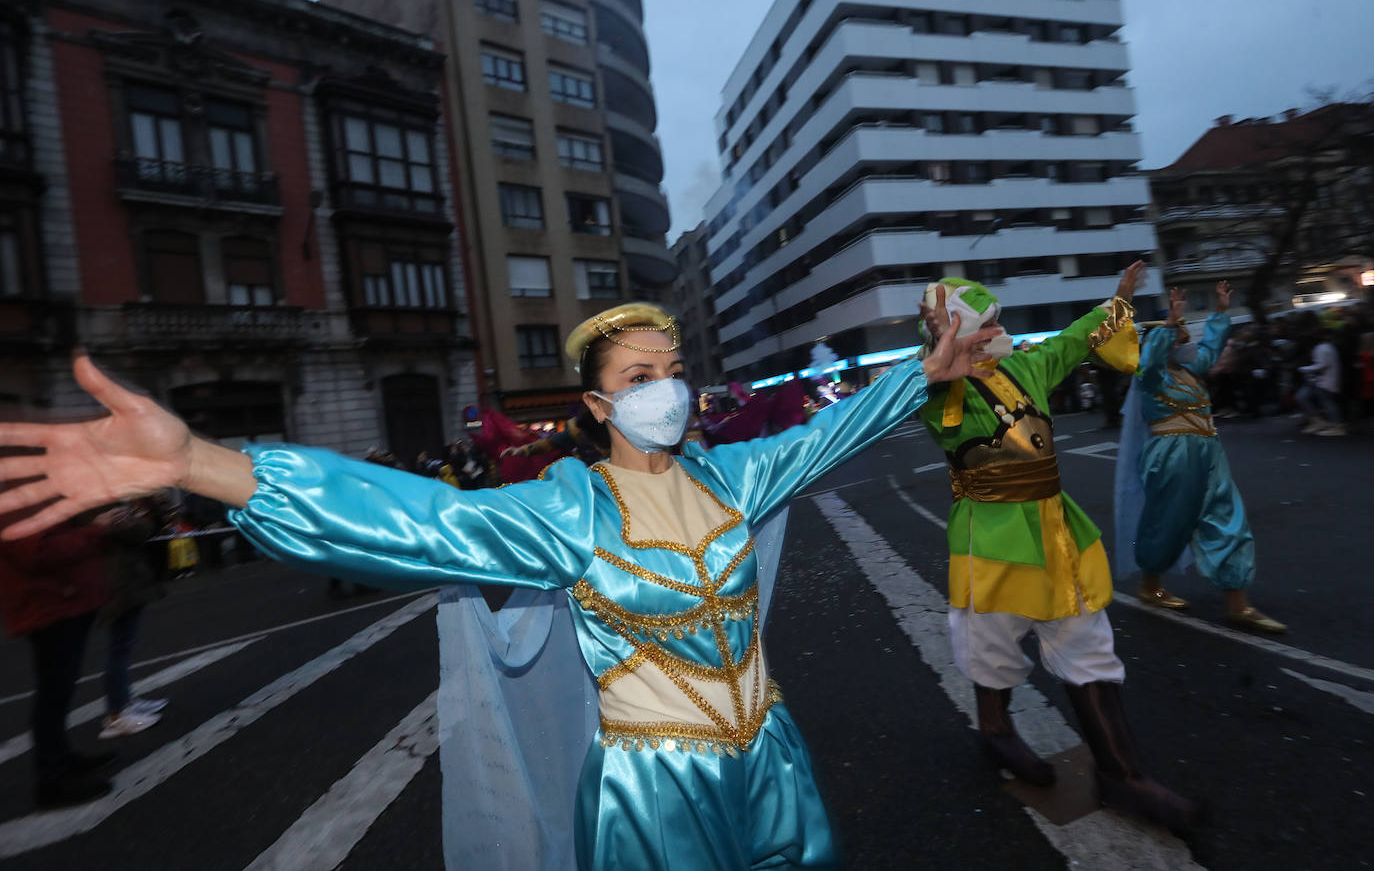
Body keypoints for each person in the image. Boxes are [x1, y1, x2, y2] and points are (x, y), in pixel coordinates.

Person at [0, 299, 997, 870]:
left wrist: (928, 370)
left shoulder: (736, 478)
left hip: (770, 749)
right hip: (655, 782)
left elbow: (834, 429)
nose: (673, 387)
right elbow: (412, 519)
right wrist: (207, 464)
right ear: (603, 402)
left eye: (678, 366)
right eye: (645, 373)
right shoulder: (567, 513)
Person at [915, 261, 1203, 832]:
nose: (999, 332)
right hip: (991, 539)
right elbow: (935, 409)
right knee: (990, 642)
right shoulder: (939, 390)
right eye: (987, 324)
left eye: (997, 322)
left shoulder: (1024, 366)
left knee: (1086, 639)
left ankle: (1122, 776)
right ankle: (996, 731)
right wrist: (939, 366)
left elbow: (1074, 340)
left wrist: (1118, 300)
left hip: (1053, 529)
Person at [1115, 283, 1286, 634]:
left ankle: (1238, 603)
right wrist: (1168, 324)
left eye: (1182, 334)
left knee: (1228, 517)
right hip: (1171, 455)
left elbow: (1208, 349)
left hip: (1208, 449)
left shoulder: (1189, 373)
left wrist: (1221, 311)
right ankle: (1150, 585)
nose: (1183, 339)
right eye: (1177, 335)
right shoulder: (1150, 376)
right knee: (1167, 523)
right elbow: (1148, 361)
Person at [0, 514, 115, 808]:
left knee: (59, 689)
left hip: (61, 602)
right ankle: (52, 779)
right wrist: (94, 531)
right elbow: (35, 554)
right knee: (54, 692)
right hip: (50, 604)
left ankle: (61, 760)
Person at [97, 499, 169, 739]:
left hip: (121, 579)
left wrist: (136, 518)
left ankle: (124, 702)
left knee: (123, 646)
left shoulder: (99, 499)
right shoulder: (97, 501)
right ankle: (116, 713)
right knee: (119, 647)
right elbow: (139, 532)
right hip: (118, 581)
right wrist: (142, 516)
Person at [1297, 326, 1345, 436]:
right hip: (1322, 380)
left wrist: (1304, 369)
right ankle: (1322, 422)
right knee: (1304, 397)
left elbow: (1321, 365)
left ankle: (1336, 426)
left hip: (1324, 381)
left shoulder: (1322, 348)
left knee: (1327, 402)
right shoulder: (1326, 347)